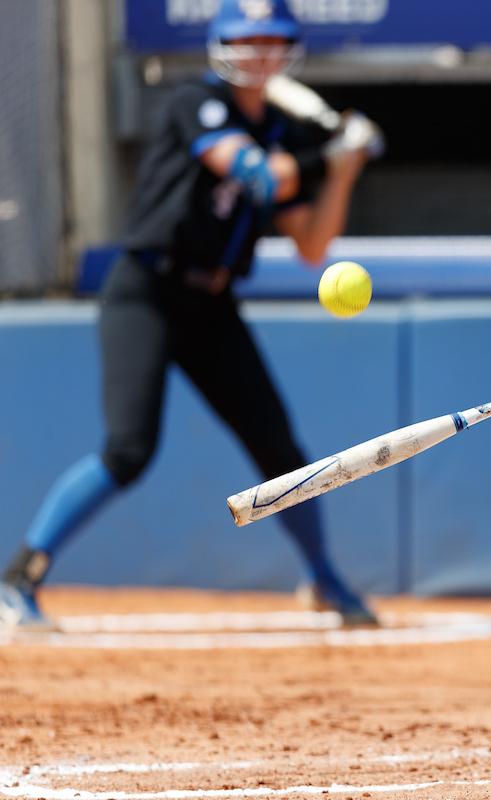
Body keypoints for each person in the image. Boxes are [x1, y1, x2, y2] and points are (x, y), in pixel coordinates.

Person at [0, 0, 382, 630]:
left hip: (213, 305)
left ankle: (323, 578)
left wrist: (344, 170)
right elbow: (256, 177)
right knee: (128, 450)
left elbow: (313, 245)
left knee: (281, 450)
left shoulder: (283, 132)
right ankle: (20, 577)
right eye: (247, 40)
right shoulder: (196, 102)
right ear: (223, 46)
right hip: (147, 289)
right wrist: (329, 153)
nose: (259, 53)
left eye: (270, 40)